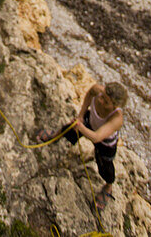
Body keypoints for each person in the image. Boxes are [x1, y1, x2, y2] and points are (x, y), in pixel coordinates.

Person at [36, 81, 128, 211]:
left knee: (105, 167)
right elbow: (89, 95)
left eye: (106, 102)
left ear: (115, 106)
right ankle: (55, 135)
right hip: (89, 121)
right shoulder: (98, 90)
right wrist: (80, 116)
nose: (101, 101)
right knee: (68, 129)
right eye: (102, 97)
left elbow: (96, 137)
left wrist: (80, 127)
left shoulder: (117, 119)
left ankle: (108, 186)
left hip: (105, 142)